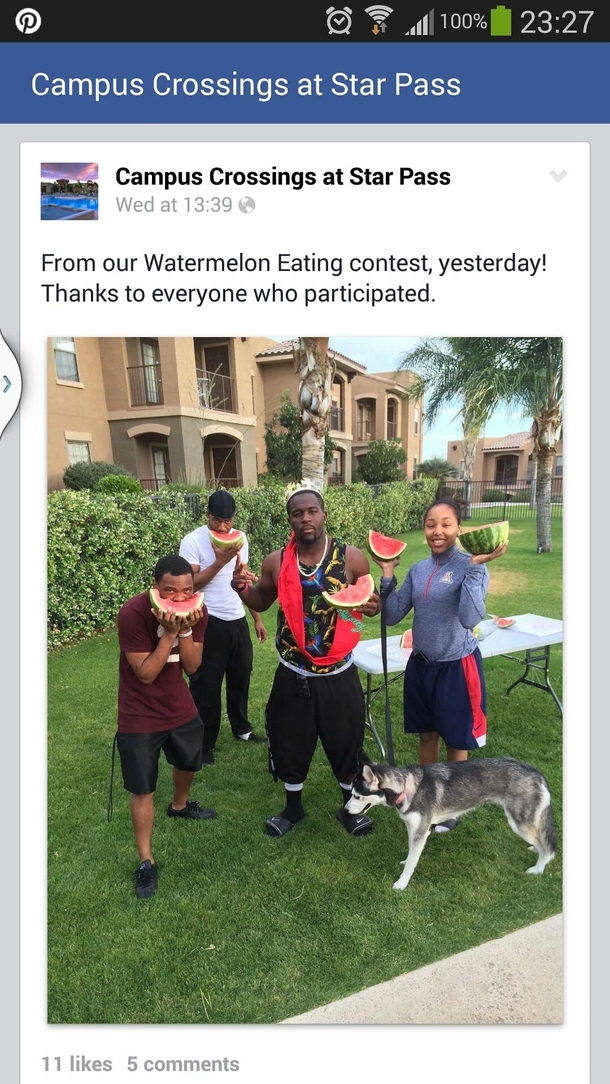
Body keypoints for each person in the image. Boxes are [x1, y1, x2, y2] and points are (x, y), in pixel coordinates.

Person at [230, 480, 381, 838]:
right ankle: (292, 809)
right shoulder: (277, 561)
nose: (305, 518)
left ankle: (350, 809)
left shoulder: (351, 557)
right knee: (289, 741)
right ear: (290, 521)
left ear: (324, 514)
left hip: (339, 670)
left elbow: (370, 603)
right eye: (297, 513)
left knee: (345, 741)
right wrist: (241, 590)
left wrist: (374, 606)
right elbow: (262, 601)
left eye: (312, 510)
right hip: (293, 670)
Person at [371, 498, 508, 832]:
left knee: (456, 741)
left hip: (456, 667)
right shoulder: (419, 570)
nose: (438, 531)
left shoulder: (472, 565)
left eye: (447, 524)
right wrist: (388, 574)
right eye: (431, 524)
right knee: (426, 736)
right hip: (421, 666)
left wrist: (476, 567)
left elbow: (469, 617)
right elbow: (390, 615)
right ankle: (424, 797)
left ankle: (451, 807)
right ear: (424, 529)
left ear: (458, 528)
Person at [116, 555, 216, 899]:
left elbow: (193, 667)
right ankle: (146, 860)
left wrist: (185, 629)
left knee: (189, 761)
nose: (178, 599)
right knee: (142, 787)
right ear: (155, 586)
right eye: (169, 591)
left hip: (179, 706)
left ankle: (180, 805)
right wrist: (169, 633)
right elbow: (145, 673)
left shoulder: (198, 612)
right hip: (139, 713)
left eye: (186, 590)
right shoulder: (132, 614)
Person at [179, 490, 267, 764]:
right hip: (207, 618)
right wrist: (220, 561)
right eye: (216, 520)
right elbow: (189, 584)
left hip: (235, 616)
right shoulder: (192, 541)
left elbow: (242, 582)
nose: (222, 527)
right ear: (207, 516)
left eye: (227, 521)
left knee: (241, 676)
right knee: (207, 684)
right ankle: (204, 743)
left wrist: (256, 618)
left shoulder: (240, 539)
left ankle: (242, 728)